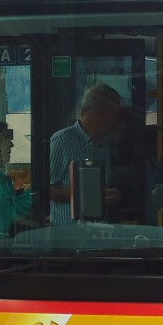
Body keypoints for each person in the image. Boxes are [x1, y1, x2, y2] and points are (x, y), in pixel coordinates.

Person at [48, 83, 125, 225]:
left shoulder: (104, 146)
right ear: (99, 111)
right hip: (68, 236)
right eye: (116, 112)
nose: (119, 118)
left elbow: (101, 190)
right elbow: (44, 189)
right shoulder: (62, 141)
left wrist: (111, 196)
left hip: (97, 233)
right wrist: (85, 195)